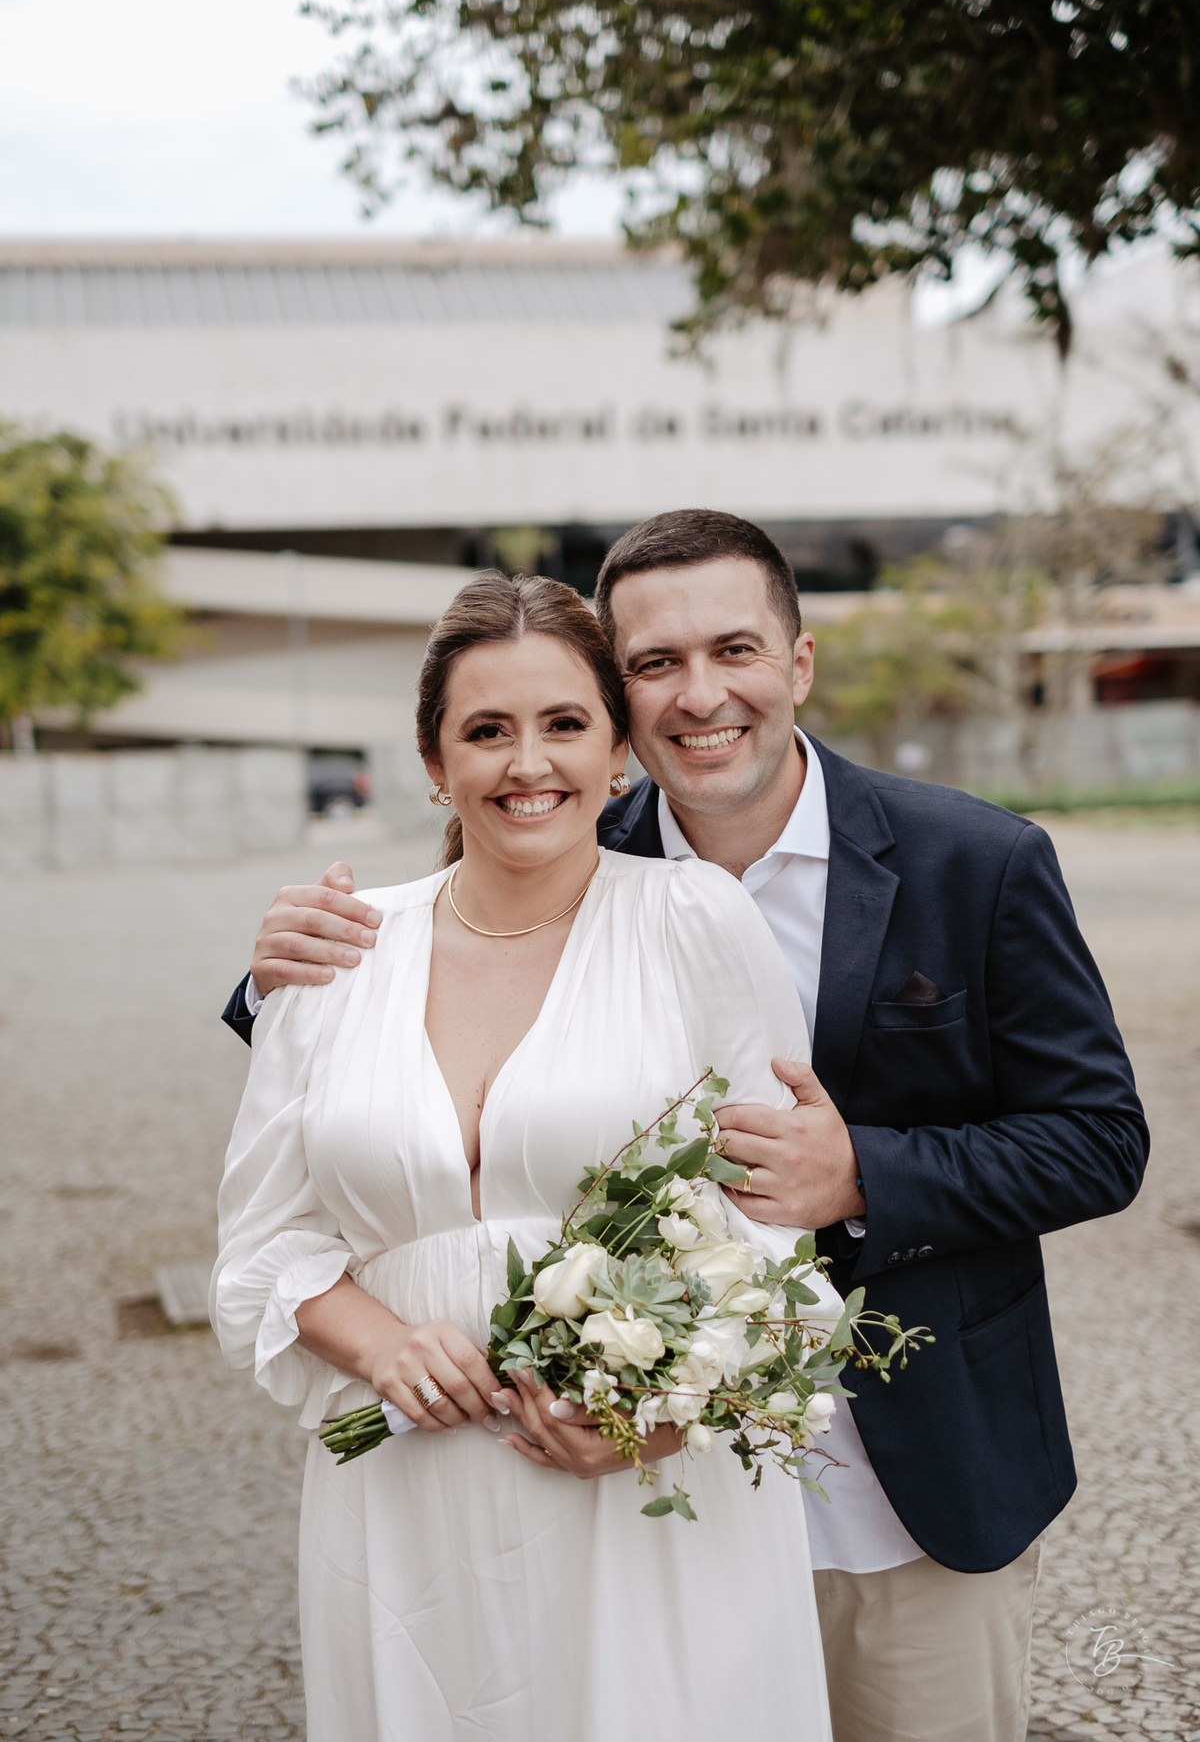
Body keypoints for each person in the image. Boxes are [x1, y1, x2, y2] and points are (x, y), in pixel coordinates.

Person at [223, 511, 1148, 1742]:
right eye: (655, 663)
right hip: (563, 1490)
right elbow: (380, 1038)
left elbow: (1098, 1136)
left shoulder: (970, 861)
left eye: (736, 651)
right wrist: (269, 972)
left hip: (909, 1483)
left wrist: (860, 1171)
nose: (699, 693)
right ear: (623, 707)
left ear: (800, 664)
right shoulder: (579, 847)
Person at [211, 572, 841, 1742]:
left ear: (618, 753)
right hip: (408, 1485)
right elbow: (261, 1246)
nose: (527, 763)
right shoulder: (340, 950)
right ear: (433, 759)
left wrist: (668, 1409)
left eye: (563, 724)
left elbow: (767, 1217)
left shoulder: (695, 918)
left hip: (640, 1467)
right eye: (486, 731)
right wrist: (385, 1344)